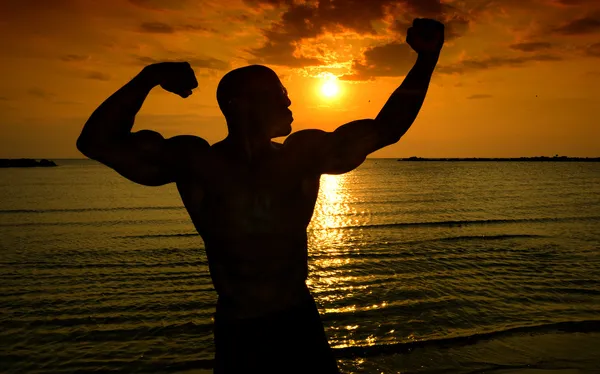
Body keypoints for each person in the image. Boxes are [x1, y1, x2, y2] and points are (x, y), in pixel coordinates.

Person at [76, 18, 444, 374]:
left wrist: (427, 58)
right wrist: (149, 77)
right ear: (241, 103)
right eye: (277, 94)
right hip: (240, 330)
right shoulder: (196, 160)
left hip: (298, 321)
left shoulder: (301, 154)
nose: (288, 102)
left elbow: (386, 128)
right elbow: (96, 142)